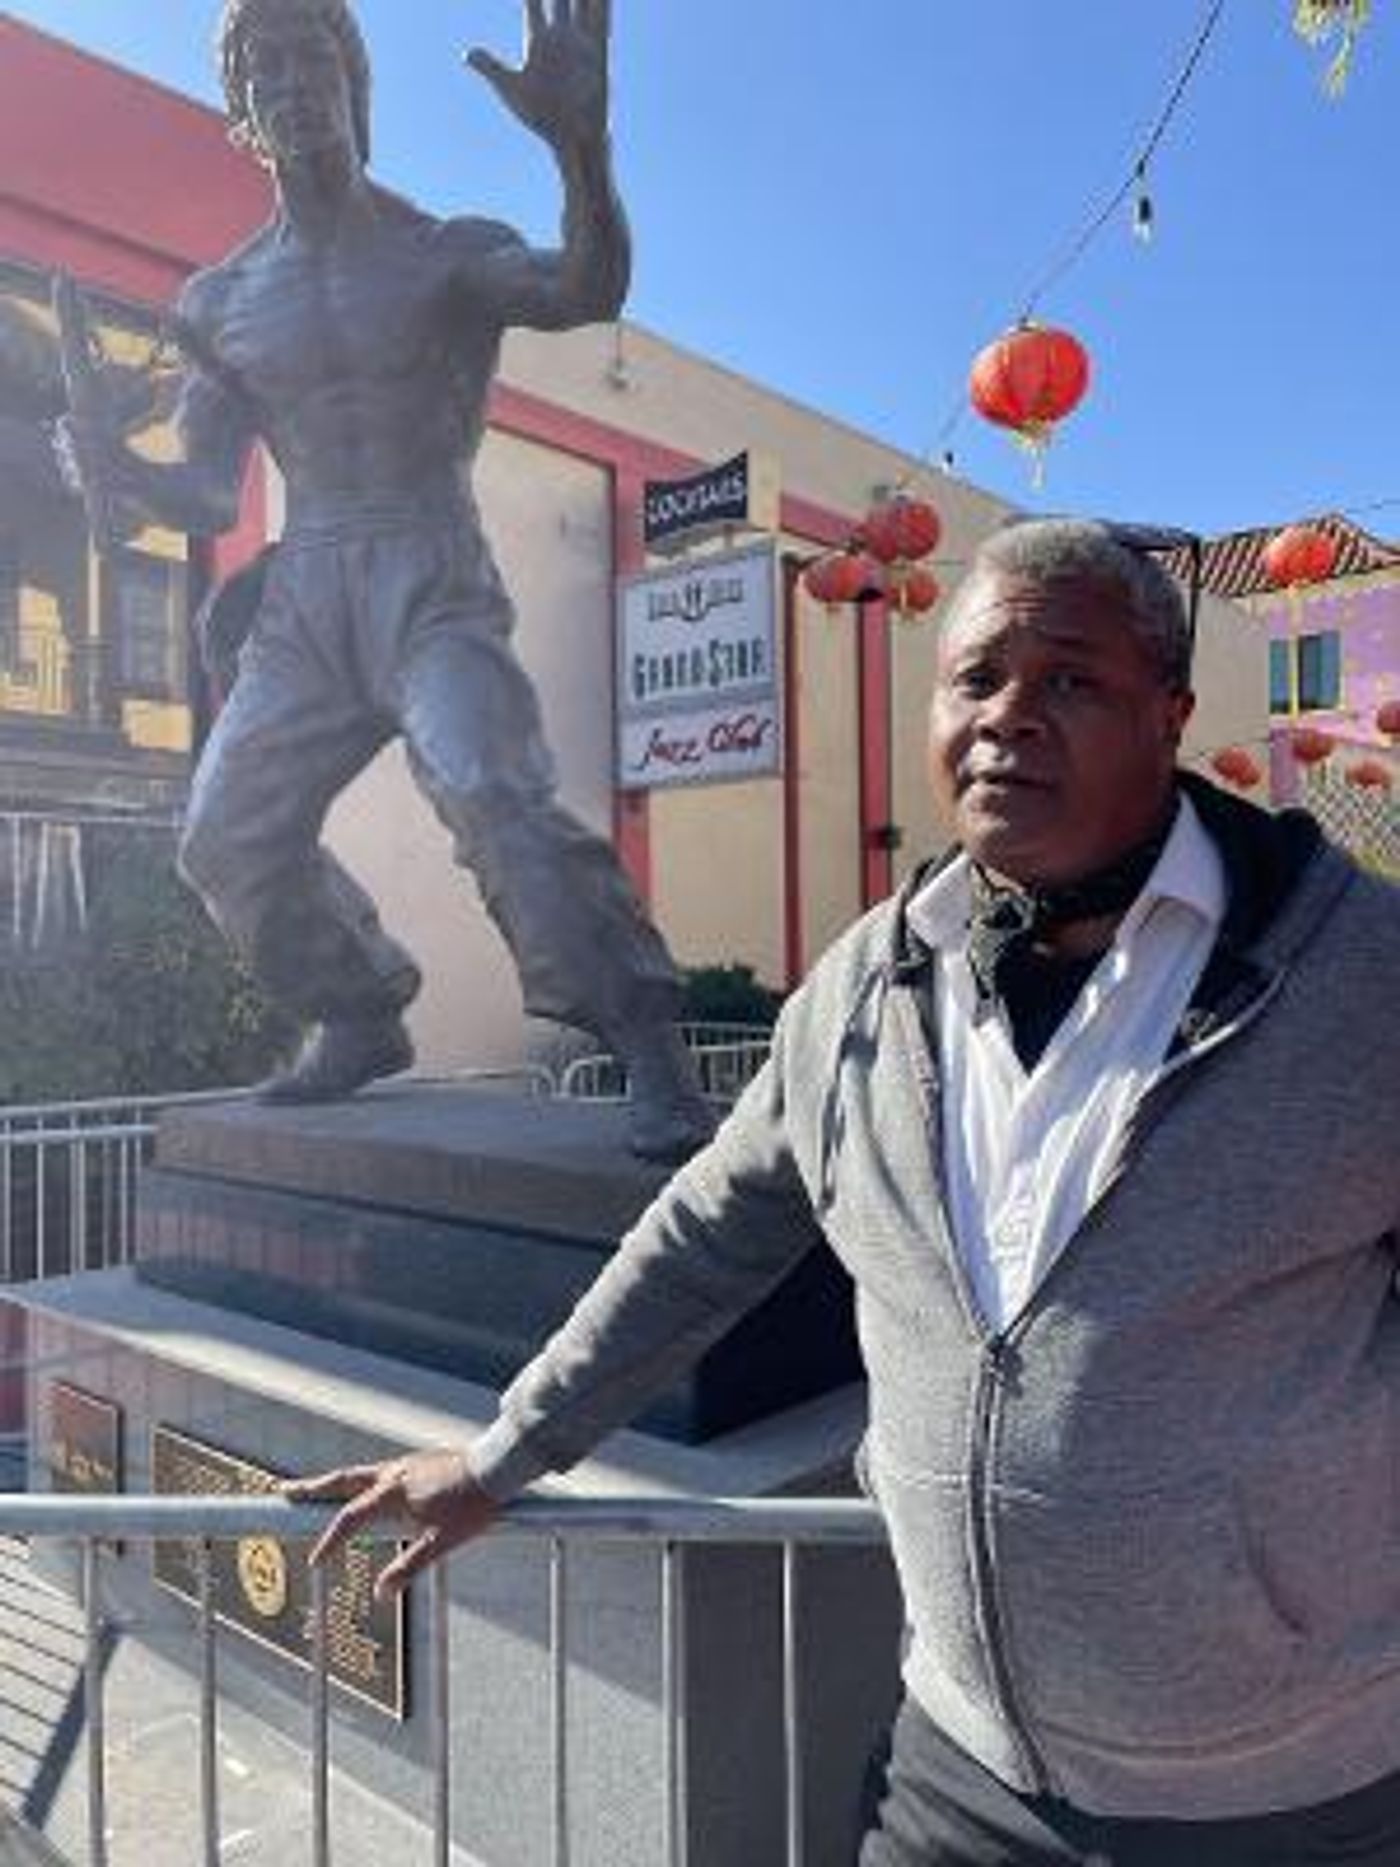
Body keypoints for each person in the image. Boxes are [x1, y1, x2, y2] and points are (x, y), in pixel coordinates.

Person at [289, 517, 1400, 1863]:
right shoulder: (868, 986)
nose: (1009, 719)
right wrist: (502, 1454)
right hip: (960, 1773)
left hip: (1290, 1796)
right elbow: (703, 1235)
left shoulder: (1356, 977)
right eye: (976, 677)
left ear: (1169, 713)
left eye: (1071, 680)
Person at [56, 0, 712, 1162]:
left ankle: (646, 1043)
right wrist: (116, 469)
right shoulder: (220, 302)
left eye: (313, 61)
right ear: (244, 115)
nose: (293, 86)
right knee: (222, 834)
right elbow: (208, 496)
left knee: (488, 788)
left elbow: (584, 289)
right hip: (306, 593)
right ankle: (360, 1010)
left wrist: (580, 146)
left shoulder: (439, 251)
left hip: (427, 568)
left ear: (354, 87)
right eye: (266, 71)